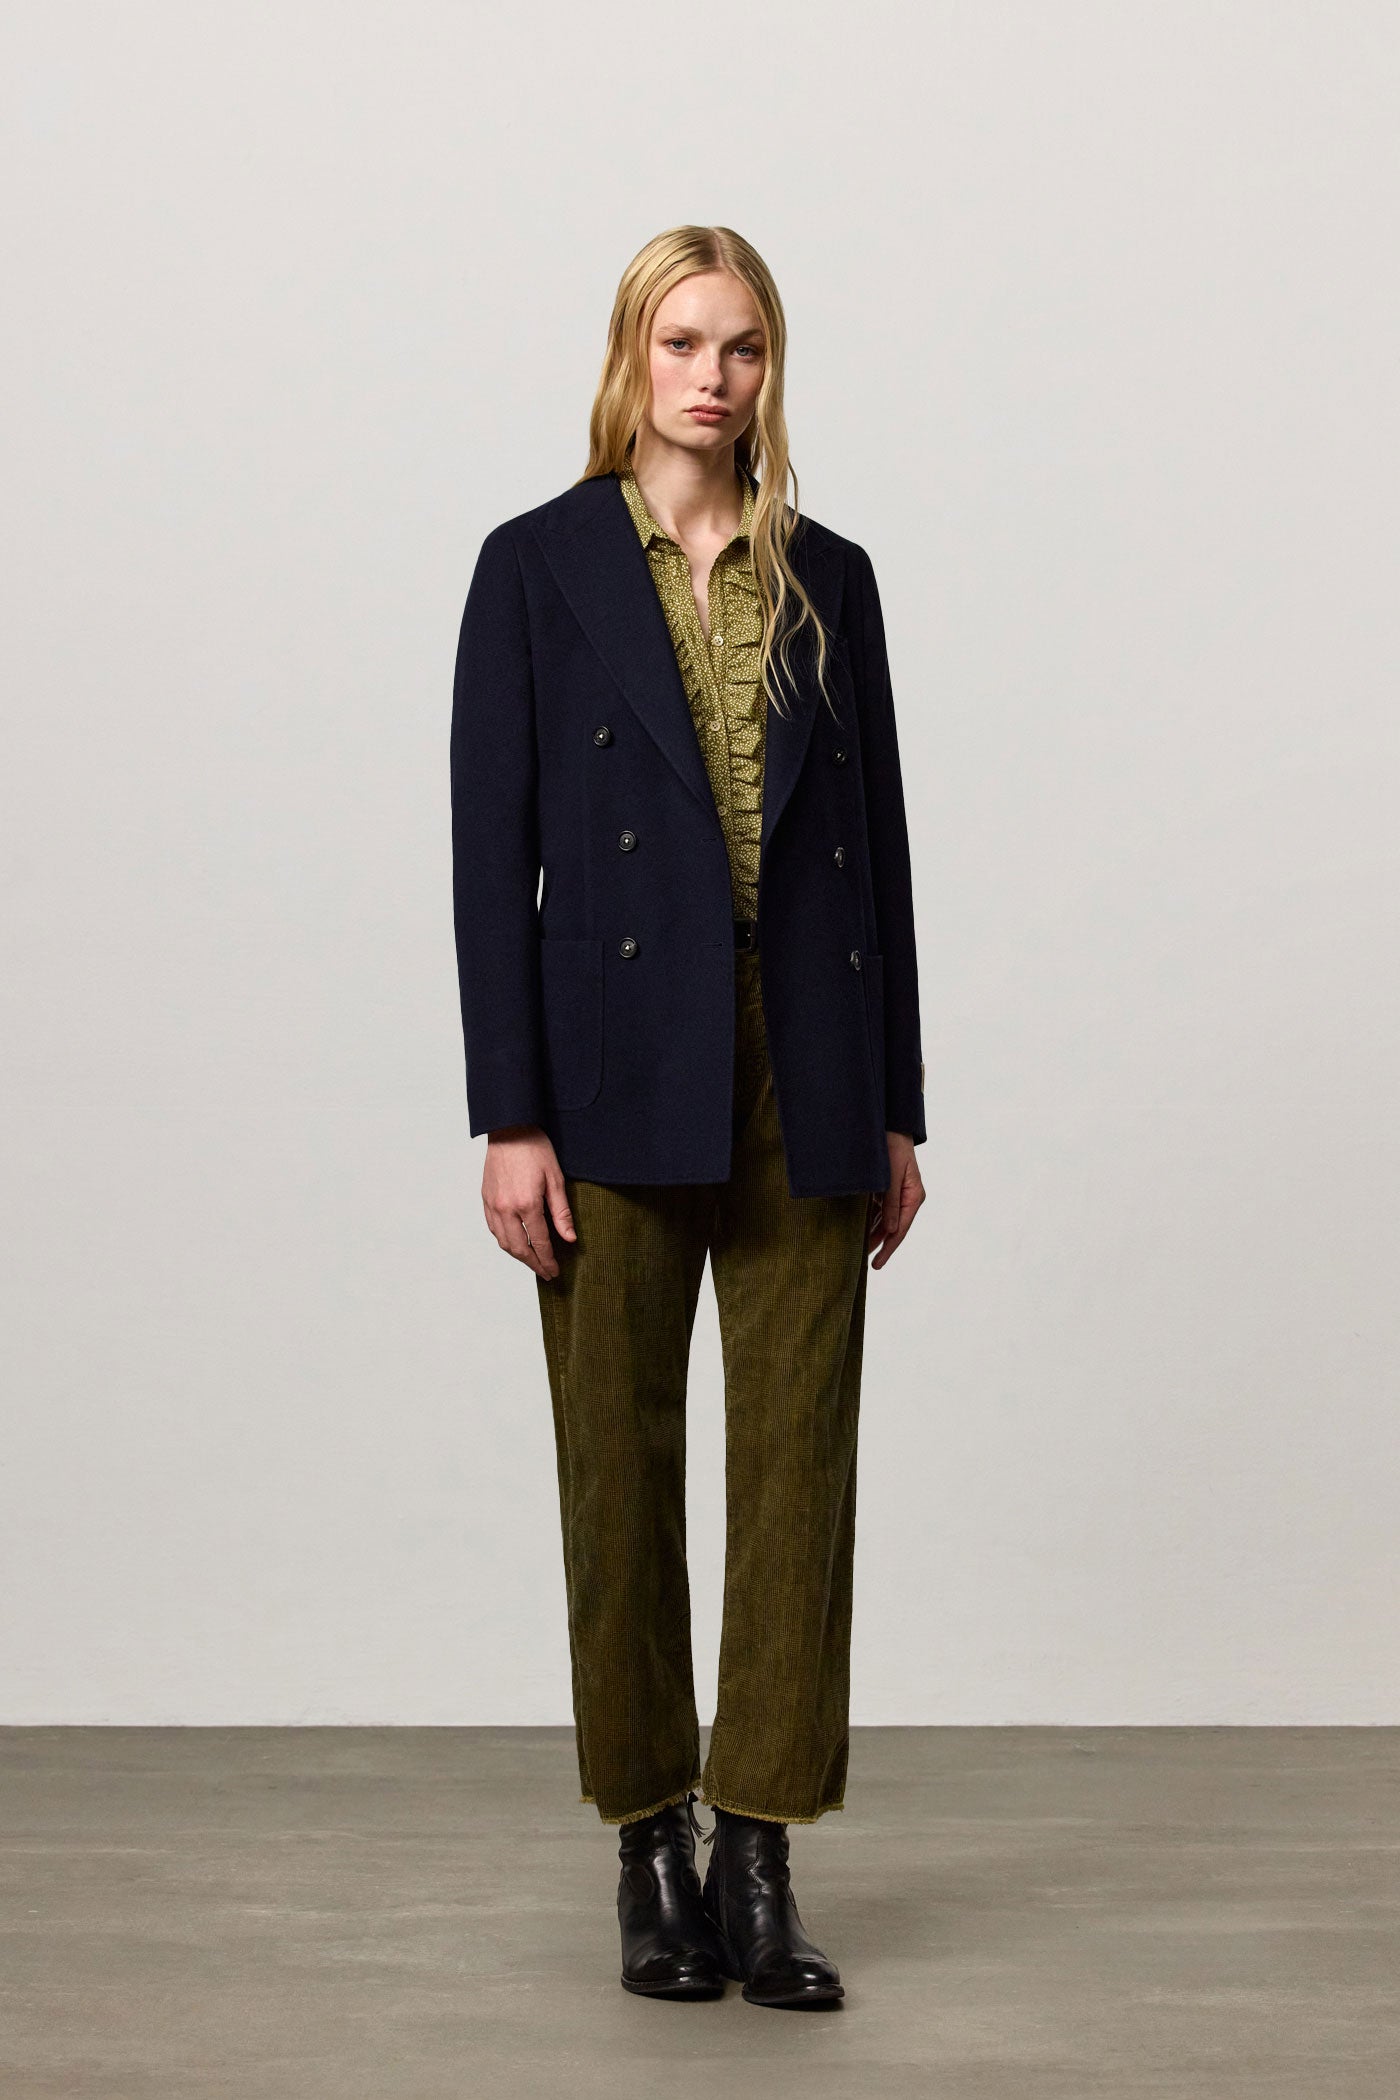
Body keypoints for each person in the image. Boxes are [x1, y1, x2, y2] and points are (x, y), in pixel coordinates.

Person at [450, 225, 927, 2009]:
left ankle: (762, 1852)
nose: (711, 377)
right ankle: (650, 1842)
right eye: (681, 341)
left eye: (741, 346)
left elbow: (878, 858)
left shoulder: (831, 576)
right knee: (618, 1461)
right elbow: (489, 858)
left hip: (808, 1052)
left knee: (801, 1465)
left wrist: (896, 1104)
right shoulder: (537, 565)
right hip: (608, 1057)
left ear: (770, 367)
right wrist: (510, 1111)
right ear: (630, 357)